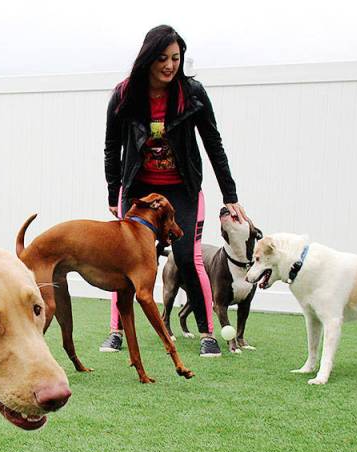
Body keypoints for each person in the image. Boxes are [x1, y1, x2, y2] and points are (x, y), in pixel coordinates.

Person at [101, 24, 249, 358]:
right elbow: (112, 148)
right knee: (129, 261)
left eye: (176, 58)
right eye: (163, 59)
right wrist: (114, 193)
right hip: (139, 190)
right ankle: (116, 331)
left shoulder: (192, 94)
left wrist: (230, 195)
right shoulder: (124, 95)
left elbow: (214, 144)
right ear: (148, 59)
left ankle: (207, 333)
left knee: (186, 256)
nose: (170, 66)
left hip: (182, 189)